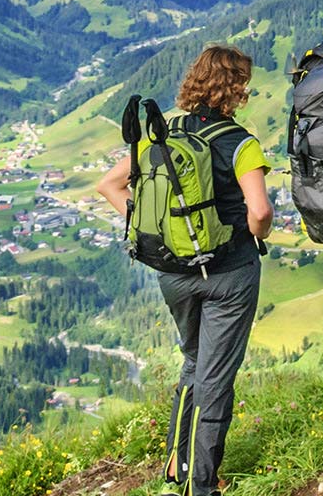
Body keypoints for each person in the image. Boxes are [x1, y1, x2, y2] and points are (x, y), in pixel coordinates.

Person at [97, 45, 272, 496]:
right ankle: (202, 485)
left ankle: (177, 464)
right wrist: (257, 233)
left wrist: (145, 224)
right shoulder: (241, 143)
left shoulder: (162, 132)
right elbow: (260, 212)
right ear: (235, 90)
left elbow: (109, 184)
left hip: (172, 272)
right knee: (216, 378)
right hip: (229, 273)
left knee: (194, 363)